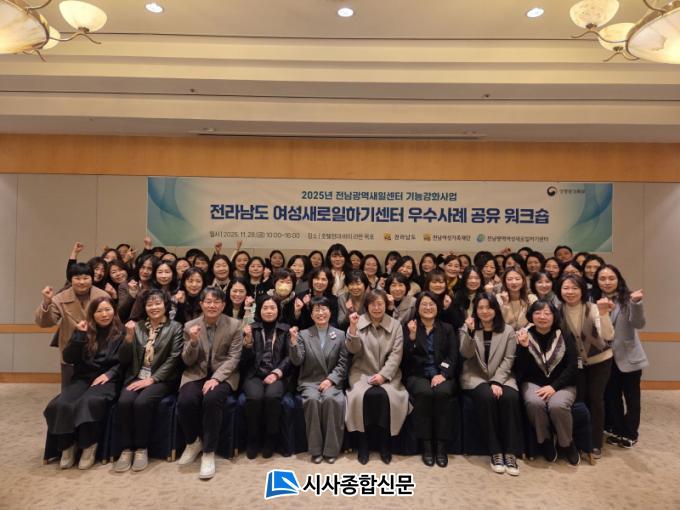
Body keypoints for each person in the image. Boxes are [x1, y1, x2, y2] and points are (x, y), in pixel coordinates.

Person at [43, 296, 124, 469]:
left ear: (114, 311)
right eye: (99, 311)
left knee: (90, 402)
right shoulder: (84, 330)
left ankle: (89, 445)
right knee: (61, 404)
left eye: (108, 310)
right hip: (83, 377)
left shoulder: (122, 332)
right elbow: (69, 358)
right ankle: (67, 445)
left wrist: (110, 374)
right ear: (92, 314)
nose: (104, 314)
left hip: (109, 379)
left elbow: (126, 361)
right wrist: (79, 336)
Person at [176, 287, 243, 479]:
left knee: (212, 399)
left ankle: (208, 451)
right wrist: (193, 341)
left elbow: (234, 358)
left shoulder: (234, 325)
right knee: (186, 400)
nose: (212, 305)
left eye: (216, 302)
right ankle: (193, 442)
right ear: (201, 304)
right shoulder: (190, 326)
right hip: (195, 373)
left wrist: (215, 378)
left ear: (223, 305)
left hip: (224, 375)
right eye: (208, 301)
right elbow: (187, 361)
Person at [113, 289, 183, 472]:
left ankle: (141, 448)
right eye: (149, 304)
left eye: (158, 303)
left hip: (162, 379)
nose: (154, 307)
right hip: (137, 375)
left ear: (165, 305)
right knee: (124, 401)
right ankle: (127, 449)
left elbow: (174, 358)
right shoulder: (137, 327)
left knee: (142, 402)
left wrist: (153, 379)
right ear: (144, 307)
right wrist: (128, 338)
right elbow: (124, 359)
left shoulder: (175, 327)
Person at [345, 289, 411, 465]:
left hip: (388, 374)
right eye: (372, 304)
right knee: (359, 396)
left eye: (380, 304)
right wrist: (352, 328)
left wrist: (383, 375)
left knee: (386, 396)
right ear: (367, 306)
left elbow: (396, 355)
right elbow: (352, 349)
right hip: (361, 372)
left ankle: (385, 444)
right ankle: (363, 443)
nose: (376, 308)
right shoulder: (357, 321)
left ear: (386, 305)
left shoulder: (395, 325)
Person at [459, 293, 522, 476]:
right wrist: (470, 332)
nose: (485, 311)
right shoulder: (467, 327)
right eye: (481, 308)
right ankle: (495, 451)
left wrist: (496, 381)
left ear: (496, 309)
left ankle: (510, 452)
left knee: (510, 397)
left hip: (502, 375)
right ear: (475, 310)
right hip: (475, 376)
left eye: (489, 307)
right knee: (486, 397)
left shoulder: (508, 330)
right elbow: (465, 353)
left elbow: (509, 359)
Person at [515, 300, 580, 465]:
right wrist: (523, 347)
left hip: (562, 383)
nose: (542, 317)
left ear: (554, 316)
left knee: (557, 405)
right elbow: (520, 369)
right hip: (533, 382)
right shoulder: (524, 335)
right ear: (531, 316)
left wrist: (554, 387)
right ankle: (545, 440)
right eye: (537, 313)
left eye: (547, 313)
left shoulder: (565, 335)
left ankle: (567, 443)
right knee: (534, 402)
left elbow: (572, 367)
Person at [557, 275, 614, 458]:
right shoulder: (557, 311)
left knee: (595, 399)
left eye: (575, 288)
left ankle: (595, 443)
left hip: (600, 360)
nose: (570, 292)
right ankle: (580, 440)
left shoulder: (594, 308)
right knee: (579, 400)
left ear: (582, 290)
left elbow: (608, 335)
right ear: (560, 290)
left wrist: (604, 314)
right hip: (577, 364)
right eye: (566, 288)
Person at [593, 265, 648, 448]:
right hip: (605, 358)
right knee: (612, 397)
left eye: (611, 278)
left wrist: (636, 303)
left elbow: (639, 323)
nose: (607, 282)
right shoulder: (593, 300)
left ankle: (630, 433)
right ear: (597, 281)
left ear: (618, 279)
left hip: (628, 357)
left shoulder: (629, 299)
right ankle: (617, 430)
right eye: (602, 278)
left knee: (632, 399)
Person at [289, 297, 349, 464]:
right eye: (316, 310)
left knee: (332, 400)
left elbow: (343, 363)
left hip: (332, 381)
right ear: (311, 314)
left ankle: (331, 450)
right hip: (310, 381)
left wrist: (331, 380)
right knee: (312, 400)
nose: (320, 313)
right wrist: (293, 342)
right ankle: (315, 450)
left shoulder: (340, 335)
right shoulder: (303, 334)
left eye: (324, 309)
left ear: (330, 312)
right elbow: (297, 361)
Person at [403, 292, 459, 467]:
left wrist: (443, 374)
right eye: (424, 304)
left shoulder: (447, 328)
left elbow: (452, 355)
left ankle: (441, 446)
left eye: (432, 304)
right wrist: (412, 338)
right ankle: (426, 445)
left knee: (443, 393)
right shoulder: (410, 326)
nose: (428, 308)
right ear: (418, 308)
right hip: (417, 374)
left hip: (442, 373)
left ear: (438, 307)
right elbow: (405, 359)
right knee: (424, 393)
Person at [35, 262, 110, 387]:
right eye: (77, 278)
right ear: (70, 280)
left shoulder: (103, 296)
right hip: (71, 352)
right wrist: (47, 302)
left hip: (99, 352)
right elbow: (45, 322)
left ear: (92, 278)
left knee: (96, 390)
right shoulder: (60, 298)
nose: (82, 282)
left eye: (86, 278)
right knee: (70, 390)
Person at [240, 295, 292, 459]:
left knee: (272, 397)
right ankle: (253, 439)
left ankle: (271, 439)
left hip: (277, 374)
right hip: (254, 374)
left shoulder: (285, 329)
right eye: (265, 308)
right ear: (259, 310)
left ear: (278, 310)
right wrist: (248, 342)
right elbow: (243, 361)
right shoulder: (251, 328)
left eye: (272, 308)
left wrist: (276, 373)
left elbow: (289, 357)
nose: (269, 311)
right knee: (254, 398)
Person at [497, 266, 537, 331]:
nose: (514, 282)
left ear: (523, 281)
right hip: (505, 334)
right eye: (509, 279)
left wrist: (524, 331)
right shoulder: (498, 298)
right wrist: (505, 305)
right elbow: (498, 322)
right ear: (504, 282)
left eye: (517, 279)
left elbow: (535, 321)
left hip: (526, 333)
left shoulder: (531, 298)